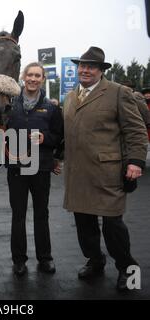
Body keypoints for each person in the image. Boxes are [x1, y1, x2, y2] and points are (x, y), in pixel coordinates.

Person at [63, 47, 148, 291]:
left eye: (91, 66)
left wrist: (136, 162)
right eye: (82, 66)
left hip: (108, 174)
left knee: (113, 227)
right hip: (78, 175)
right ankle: (95, 260)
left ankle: (128, 270)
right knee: (84, 225)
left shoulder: (118, 93)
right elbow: (68, 134)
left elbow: (136, 130)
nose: (85, 70)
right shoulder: (70, 97)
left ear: (101, 71)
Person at [5, 62, 64, 276]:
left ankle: (45, 258)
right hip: (17, 169)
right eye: (29, 75)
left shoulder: (51, 107)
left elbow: (58, 136)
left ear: (42, 79)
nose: (33, 79)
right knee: (18, 215)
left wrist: (45, 138)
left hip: (40, 168)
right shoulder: (10, 104)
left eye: (37, 75)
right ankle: (19, 260)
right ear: (23, 77)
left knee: (41, 214)